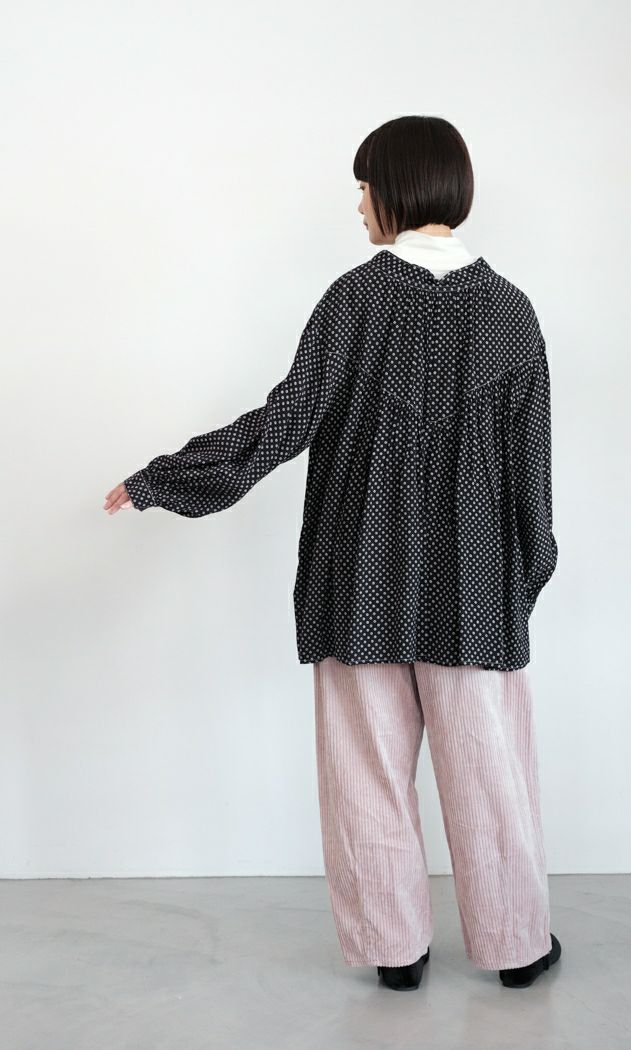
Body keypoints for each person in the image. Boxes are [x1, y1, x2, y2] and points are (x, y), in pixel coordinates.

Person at [104, 115, 562, 992]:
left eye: (363, 188)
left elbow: (283, 424)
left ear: (396, 189)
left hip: (358, 578)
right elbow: (531, 477)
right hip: (474, 589)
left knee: (365, 772)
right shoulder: (511, 312)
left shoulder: (354, 300)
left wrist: (165, 478)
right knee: (491, 777)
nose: (358, 206)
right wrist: (523, 576)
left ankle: (395, 951)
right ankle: (515, 947)